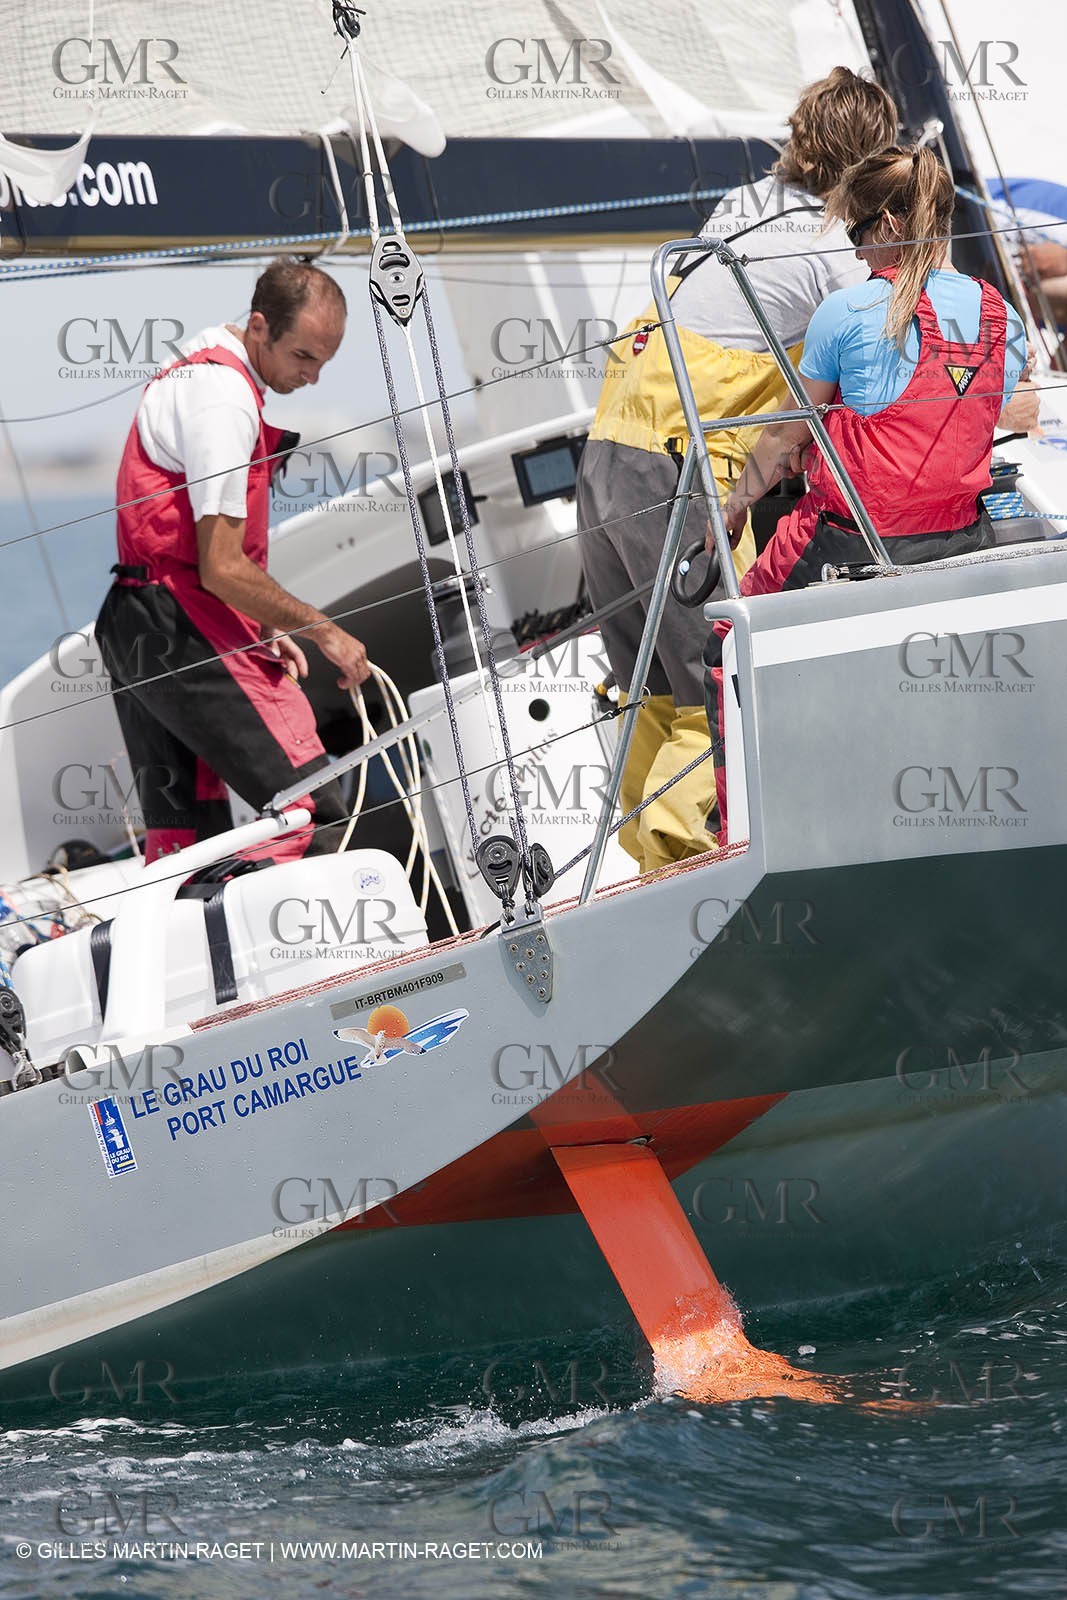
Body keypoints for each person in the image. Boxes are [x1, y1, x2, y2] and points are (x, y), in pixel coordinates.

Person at [575, 66, 897, 876]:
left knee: (652, 686)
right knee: (721, 674)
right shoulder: (834, 254)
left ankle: (651, 866)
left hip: (606, 454)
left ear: (798, 137)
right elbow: (882, 373)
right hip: (676, 472)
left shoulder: (743, 205)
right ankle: (698, 871)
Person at [705, 146, 1031, 839]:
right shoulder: (996, 311)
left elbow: (785, 442)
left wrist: (731, 511)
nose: (852, 254)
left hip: (852, 543)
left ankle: (747, 838)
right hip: (959, 544)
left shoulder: (846, 312)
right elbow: (1003, 408)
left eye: (854, 234)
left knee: (731, 641)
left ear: (885, 226)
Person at [96, 258, 370, 865]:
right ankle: (321, 957)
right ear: (258, 327)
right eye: (303, 357)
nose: (313, 377)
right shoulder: (224, 400)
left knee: (189, 845)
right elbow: (220, 566)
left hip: (135, 623)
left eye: (323, 362)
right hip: (178, 624)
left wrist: (264, 625)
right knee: (313, 803)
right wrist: (324, 632)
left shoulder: (196, 370)